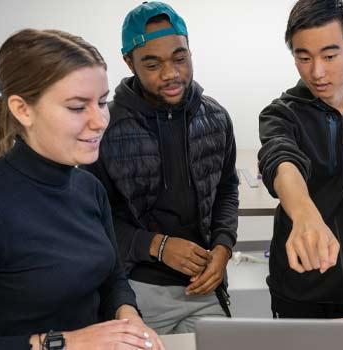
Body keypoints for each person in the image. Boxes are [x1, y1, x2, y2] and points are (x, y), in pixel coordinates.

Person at [0, 28, 163, 350]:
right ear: (23, 110)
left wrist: (128, 314)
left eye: (103, 102)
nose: (100, 121)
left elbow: (112, 278)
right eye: (78, 108)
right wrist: (64, 342)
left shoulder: (89, 188)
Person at [84, 1, 239, 334]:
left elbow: (227, 189)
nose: (171, 74)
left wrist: (224, 247)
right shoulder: (104, 128)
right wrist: (157, 246)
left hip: (206, 288)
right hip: (138, 292)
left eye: (180, 59)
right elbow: (95, 217)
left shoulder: (216, 118)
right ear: (129, 62)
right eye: (152, 64)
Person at [258, 0, 343, 319]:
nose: (317, 71)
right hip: (300, 288)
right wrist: (304, 214)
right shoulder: (281, 114)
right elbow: (281, 160)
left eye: (329, 56)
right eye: (303, 57)